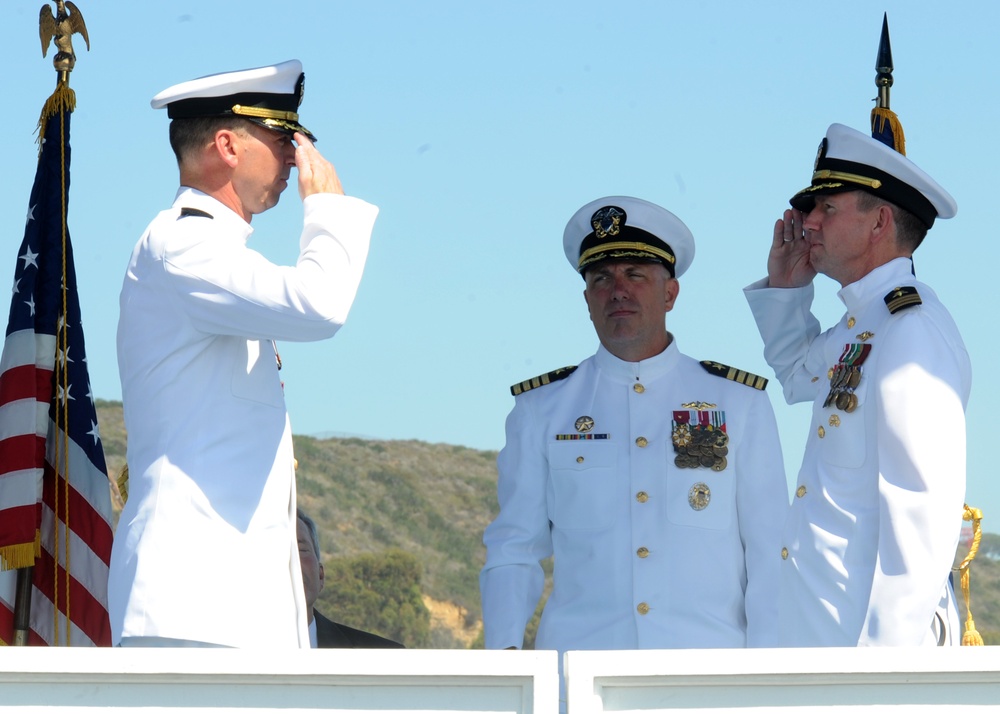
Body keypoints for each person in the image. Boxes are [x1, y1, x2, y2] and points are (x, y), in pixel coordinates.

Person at [109, 60, 378, 648]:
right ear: (228, 144)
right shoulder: (183, 243)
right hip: (192, 608)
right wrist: (329, 209)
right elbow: (319, 304)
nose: (293, 158)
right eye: (283, 139)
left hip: (232, 608)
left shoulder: (212, 250)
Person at [480, 196, 788, 677]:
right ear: (586, 300)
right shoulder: (542, 410)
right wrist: (502, 663)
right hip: (579, 681)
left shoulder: (737, 403)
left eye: (635, 275)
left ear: (670, 294)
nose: (617, 290)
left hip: (709, 682)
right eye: (601, 279)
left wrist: (771, 681)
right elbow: (514, 547)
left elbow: (770, 552)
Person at [743, 123, 971, 646]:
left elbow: (921, 511)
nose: (808, 221)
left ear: (879, 222)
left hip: (870, 642)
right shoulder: (862, 325)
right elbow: (800, 378)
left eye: (827, 207)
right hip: (823, 632)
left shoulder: (911, 329)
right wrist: (786, 292)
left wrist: (883, 665)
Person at [296, 509, 404, 649]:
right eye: (272, 550)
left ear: (320, 575)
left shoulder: (386, 657)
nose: (289, 561)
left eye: (300, 550)